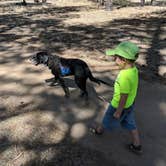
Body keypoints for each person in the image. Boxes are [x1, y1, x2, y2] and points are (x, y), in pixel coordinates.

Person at [90, 41, 142, 154]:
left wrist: (118, 111)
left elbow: (124, 96)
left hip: (118, 105)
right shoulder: (133, 70)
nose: (114, 60)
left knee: (106, 119)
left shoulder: (124, 76)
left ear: (123, 60)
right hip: (130, 104)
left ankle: (98, 131)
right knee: (130, 123)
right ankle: (137, 144)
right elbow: (129, 91)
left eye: (116, 57)